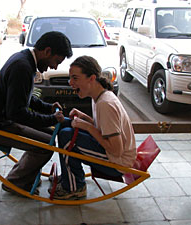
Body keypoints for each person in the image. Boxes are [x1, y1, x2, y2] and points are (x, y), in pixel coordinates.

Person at [0, 31, 73, 195]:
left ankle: (24, 175)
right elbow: (17, 113)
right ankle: (15, 182)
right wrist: (51, 118)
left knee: (48, 137)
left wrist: (47, 108)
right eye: (56, 61)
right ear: (47, 51)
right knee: (46, 146)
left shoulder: (23, 59)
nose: (55, 67)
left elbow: (24, 97)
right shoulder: (22, 67)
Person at [49, 56, 136, 199]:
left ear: (92, 78)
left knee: (66, 137)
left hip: (117, 163)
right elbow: (103, 128)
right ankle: (69, 177)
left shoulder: (105, 104)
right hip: (112, 154)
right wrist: (85, 118)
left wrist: (88, 127)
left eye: (75, 78)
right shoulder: (99, 96)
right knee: (64, 124)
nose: (70, 83)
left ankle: (74, 187)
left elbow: (116, 149)